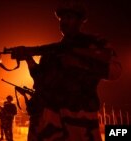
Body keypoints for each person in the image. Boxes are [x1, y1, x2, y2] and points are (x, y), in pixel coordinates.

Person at [13, 1, 122, 141]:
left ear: (80, 21)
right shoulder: (53, 51)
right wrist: (28, 59)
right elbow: (40, 80)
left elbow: (115, 71)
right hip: (49, 119)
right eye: (62, 18)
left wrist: (79, 64)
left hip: (79, 119)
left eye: (69, 17)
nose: (64, 21)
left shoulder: (93, 43)